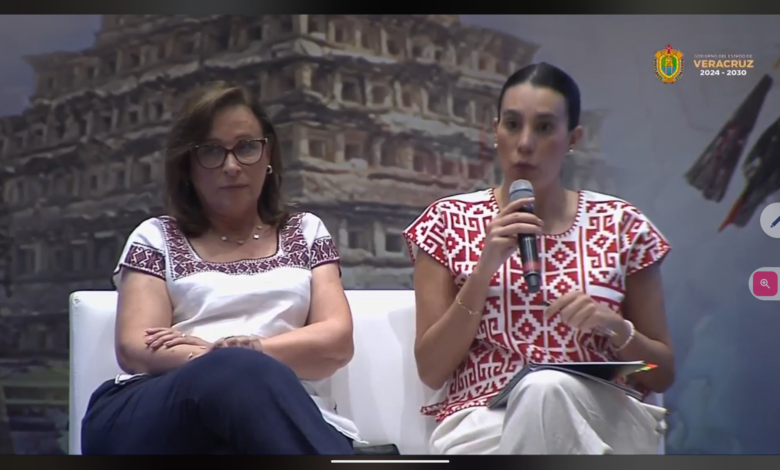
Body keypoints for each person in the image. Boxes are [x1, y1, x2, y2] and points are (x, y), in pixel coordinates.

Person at [403, 63, 674, 455]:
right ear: (495, 131)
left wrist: (615, 327)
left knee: (546, 388)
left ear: (573, 138)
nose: (525, 143)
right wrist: (482, 272)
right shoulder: (447, 222)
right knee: (540, 393)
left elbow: (661, 374)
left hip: (599, 419)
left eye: (544, 127)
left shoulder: (621, 225)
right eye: (512, 125)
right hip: (484, 424)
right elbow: (431, 371)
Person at [80, 82, 359, 455]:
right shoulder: (156, 236)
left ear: (268, 154)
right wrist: (221, 360)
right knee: (236, 371)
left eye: (246, 147)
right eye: (211, 151)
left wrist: (250, 350)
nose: (231, 166)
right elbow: (136, 348)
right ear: (188, 166)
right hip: (159, 411)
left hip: (283, 415)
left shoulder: (306, 231)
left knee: (244, 395)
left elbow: (336, 342)